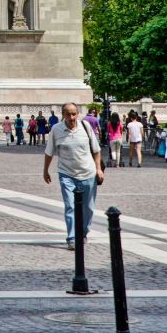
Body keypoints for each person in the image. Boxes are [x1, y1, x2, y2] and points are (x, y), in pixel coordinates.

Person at [43, 102, 103, 250]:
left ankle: (83, 233)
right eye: (68, 114)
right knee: (70, 206)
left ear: (78, 113)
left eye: (74, 114)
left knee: (88, 207)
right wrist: (45, 170)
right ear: (63, 114)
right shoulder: (56, 130)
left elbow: (96, 150)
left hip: (88, 172)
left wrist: (98, 169)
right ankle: (71, 237)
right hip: (66, 173)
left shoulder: (86, 127)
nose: (71, 117)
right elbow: (49, 152)